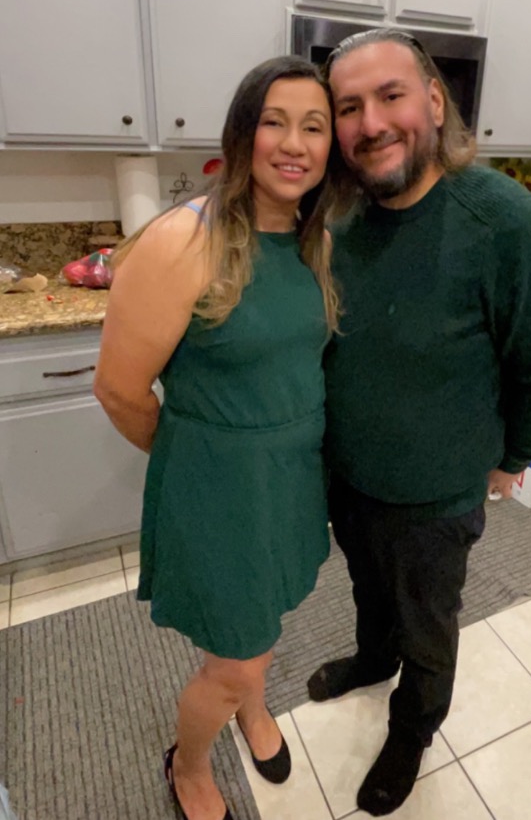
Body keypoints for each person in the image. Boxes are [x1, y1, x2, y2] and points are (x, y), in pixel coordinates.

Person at [307, 29, 531, 816]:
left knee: (428, 620)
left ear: (433, 101)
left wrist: (512, 458)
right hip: (352, 477)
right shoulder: (344, 216)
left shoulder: (501, 219)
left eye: (389, 95)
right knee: (368, 587)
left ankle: (413, 727)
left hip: (436, 495)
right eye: (348, 107)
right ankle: (371, 658)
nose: (370, 123)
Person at [95, 56, 341, 820]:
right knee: (233, 658)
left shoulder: (310, 237)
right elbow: (119, 389)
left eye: (313, 127)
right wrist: (197, 459)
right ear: (241, 134)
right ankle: (191, 764)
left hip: (290, 478)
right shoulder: (182, 240)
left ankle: (250, 703)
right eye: (274, 122)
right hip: (219, 485)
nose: (294, 143)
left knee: (262, 621)